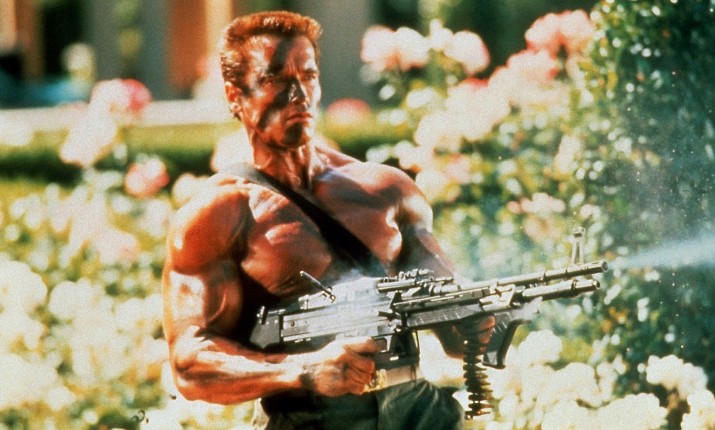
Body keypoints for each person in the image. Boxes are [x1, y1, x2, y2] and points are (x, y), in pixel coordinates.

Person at [162, 11, 495, 430]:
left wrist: (479, 321)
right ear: (235, 96)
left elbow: (455, 333)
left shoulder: (388, 190)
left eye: (308, 75)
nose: (298, 93)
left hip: (420, 413)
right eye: (275, 78)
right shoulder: (219, 214)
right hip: (311, 419)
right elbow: (190, 363)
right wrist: (303, 370)